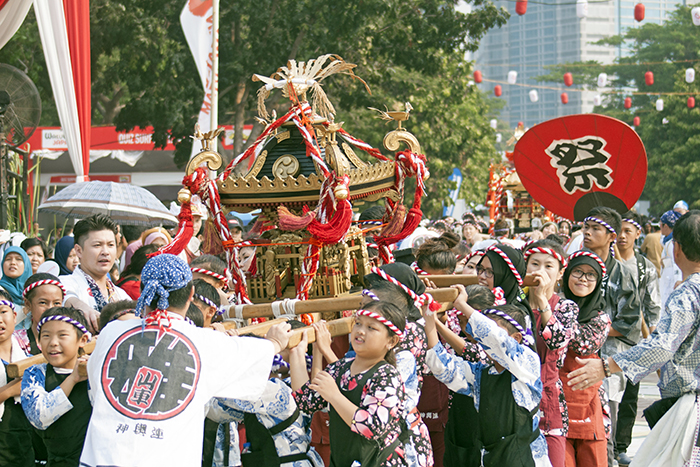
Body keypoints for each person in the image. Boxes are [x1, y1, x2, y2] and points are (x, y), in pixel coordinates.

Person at [79, 253, 291, 466]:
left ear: (143, 292)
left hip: (103, 458)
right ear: (191, 294)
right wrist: (275, 342)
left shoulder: (111, 332)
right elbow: (254, 355)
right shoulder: (203, 341)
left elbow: (98, 391)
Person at [567, 210, 700, 466]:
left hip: (691, 407)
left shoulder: (687, 295)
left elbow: (662, 345)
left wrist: (606, 366)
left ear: (677, 250)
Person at [425, 287, 552, 467]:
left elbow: (495, 338)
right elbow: (443, 367)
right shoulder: (480, 374)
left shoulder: (528, 363)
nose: (482, 339)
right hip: (492, 458)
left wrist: (462, 305)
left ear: (516, 338)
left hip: (527, 457)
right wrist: (430, 320)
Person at [292, 300, 412, 467]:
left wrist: (334, 396)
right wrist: (296, 352)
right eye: (358, 324)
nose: (361, 331)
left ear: (391, 342)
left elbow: (371, 427)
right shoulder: (339, 368)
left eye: (371, 328)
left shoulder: (387, 375)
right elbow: (304, 401)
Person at [580, 207, 639, 467]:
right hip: (577, 354)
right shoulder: (576, 265)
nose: (588, 233)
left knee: (606, 424)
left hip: (609, 360)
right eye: (586, 227)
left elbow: (629, 322)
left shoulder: (624, 274)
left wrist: (594, 330)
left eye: (595, 229)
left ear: (611, 236)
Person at [523, 240, 578, 467]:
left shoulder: (566, 307)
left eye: (548, 266)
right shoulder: (514, 306)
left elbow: (557, 342)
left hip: (550, 400)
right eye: (534, 264)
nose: (539, 271)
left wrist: (542, 300)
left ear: (560, 274)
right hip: (516, 399)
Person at [613, 212, 661, 466]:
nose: (621, 236)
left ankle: (621, 445)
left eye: (627, 231)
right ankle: (606, 443)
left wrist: (652, 337)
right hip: (609, 340)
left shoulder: (645, 267)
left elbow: (653, 305)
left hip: (636, 341)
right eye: (618, 231)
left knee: (630, 398)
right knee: (607, 396)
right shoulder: (607, 263)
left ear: (637, 234)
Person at [21, 306, 92, 467]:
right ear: (38, 341)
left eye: (62, 335)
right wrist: (73, 379)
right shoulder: (35, 374)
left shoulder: (95, 371)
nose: (53, 343)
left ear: (82, 340)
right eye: (46, 336)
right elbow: (40, 417)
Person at [559, 250, 611, 467]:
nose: (583, 278)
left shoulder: (601, 318)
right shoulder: (549, 307)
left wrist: (562, 310)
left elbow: (583, 346)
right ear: (566, 275)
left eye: (591, 275)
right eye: (578, 271)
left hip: (588, 401)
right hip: (556, 400)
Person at [59, 214, 131, 333]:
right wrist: (80, 306)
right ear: (79, 251)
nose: (105, 252)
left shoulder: (121, 294)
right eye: (97, 245)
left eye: (110, 245)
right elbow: (65, 296)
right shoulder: (64, 283)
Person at [0, 290, 34, 467]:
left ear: (14, 316)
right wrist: (9, 391)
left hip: (22, 447)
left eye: (2, 312)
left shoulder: (27, 357)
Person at [14, 273, 66, 356]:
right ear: (28, 304)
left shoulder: (72, 338)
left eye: (56, 303)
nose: (50, 308)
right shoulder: (16, 341)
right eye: (43, 303)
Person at [0, 246, 32, 328]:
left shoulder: (33, 290)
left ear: (26, 264)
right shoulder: (1, 290)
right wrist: (27, 309)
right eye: (8, 259)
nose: (13, 262)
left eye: (18, 259)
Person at [659, 209, 683, 314]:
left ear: (666, 226)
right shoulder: (667, 241)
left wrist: (678, 279)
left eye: (661, 225)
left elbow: (676, 263)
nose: (659, 227)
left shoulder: (672, 243)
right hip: (666, 277)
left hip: (671, 279)